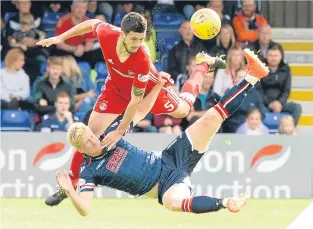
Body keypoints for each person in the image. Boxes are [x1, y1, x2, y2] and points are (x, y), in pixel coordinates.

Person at [54, 49, 269, 215]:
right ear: (81, 149)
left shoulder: (110, 135)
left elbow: (139, 111)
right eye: (89, 143)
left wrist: (157, 86)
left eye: (92, 136)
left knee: (212, 117)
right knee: (173, 204)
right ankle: (226, 202)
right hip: (165, 187)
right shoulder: (89, 171)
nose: (95, 141)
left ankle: (252, 76)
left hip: (171, 157)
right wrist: (70, 191)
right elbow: (85, 209)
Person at [37, 13, 226, 192]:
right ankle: (70, 182)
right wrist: (61, 38)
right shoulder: (107, 33)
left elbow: (137, 103)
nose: (138, 44)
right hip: (116, 89)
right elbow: (91, 24)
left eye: (141, 39)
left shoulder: (142, 58)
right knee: (90, 132)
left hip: (150, 91)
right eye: (134, 39)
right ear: (122, 34)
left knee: (183, 110)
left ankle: (203, 65)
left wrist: (120, 131)